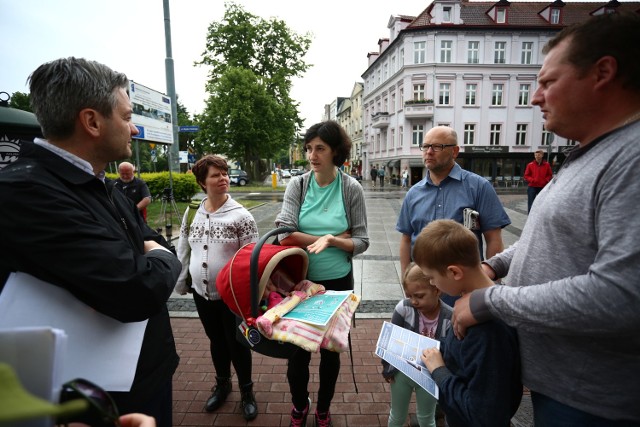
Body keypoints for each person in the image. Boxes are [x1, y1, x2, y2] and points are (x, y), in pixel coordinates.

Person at [452, 12, 640, 426]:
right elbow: (547, 238)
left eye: (548, 82)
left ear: (602, 72)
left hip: (594, 404)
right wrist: (493, 264)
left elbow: (621, 297)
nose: (536, 97)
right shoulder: (591, 152)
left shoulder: (632, 158)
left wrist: (489, 301)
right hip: (563, 389)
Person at [0, 57, 181, 427]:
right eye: (128, 117)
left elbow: (146, 241)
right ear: (92, 122)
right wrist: (163, 256)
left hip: (142, 378)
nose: (133, 129)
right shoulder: (26, 192)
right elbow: (138, 288)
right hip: (100, 402)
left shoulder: (98, 182)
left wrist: (153, 252)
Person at [275, 120, 369, 427]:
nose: (312, 155)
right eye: (309, 148)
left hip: (337, 283)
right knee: (297, 354)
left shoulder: (350, 187)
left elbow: (362, 241)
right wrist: (331, 238)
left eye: (320, 148)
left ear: (335, 152)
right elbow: (284, 234)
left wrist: (336, 240)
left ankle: (323, 409)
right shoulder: (298, 185)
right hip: (300, 283)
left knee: (330, 354)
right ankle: (300, 406)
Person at [174, 155, 259, 420]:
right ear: (202, 182)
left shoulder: (241, 216)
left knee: (238, 344)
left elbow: (252, 258)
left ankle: (247, 391)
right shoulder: (192, 211)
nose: (223, 178)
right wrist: (180, 280)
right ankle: (222, 384)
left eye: (225, 173)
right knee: (216, 341)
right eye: (216, 175)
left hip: (232, 296)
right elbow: (184, 248)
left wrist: (252, 294)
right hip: (202, 294)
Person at [415, 220, 521, 427]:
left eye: (431, 277)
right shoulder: (471, 306)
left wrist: (440, 372)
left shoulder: (487, 331)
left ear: (454, 272)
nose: (432, 283)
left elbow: (483, 414)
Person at [396, 126, 510, 305]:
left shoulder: (478, 187)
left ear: (455, 151)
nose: (429, 152)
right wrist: (406, 279)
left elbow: (493, 238)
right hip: (423, 290)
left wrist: (491, 284)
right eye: (425, 146)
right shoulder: (413, 193)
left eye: (437, 147)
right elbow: (406, 239)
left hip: (463, 289)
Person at [382, 263, 452, 427]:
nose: (413, 301)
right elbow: (391, 341)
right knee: (397, 416)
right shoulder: (404, 308)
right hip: (401, 374)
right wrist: (388, 368)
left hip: (430, 376)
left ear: (437, 290)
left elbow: (451, 353)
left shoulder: (450, 317)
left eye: (419, 296)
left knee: (427, 418)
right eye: (409, 295)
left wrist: (443, 376)